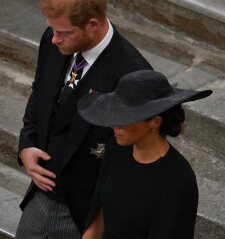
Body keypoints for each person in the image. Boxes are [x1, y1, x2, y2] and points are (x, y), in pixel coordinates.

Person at [15, 0, 153, 238]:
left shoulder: (131, 75)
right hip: (39, 198)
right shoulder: (52, 40)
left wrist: (97, 224)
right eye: (53, 29)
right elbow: (39, 94)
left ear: (92, 24)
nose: (54, 39)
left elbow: (131, 160)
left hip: (85, 214)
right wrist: (27, 143)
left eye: (64, 32)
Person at [78, 70, 212, 239]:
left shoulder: (177, 180)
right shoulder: (117, 148)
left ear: (155, 122)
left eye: (125, 117)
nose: (114, 125)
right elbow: (98, 219)